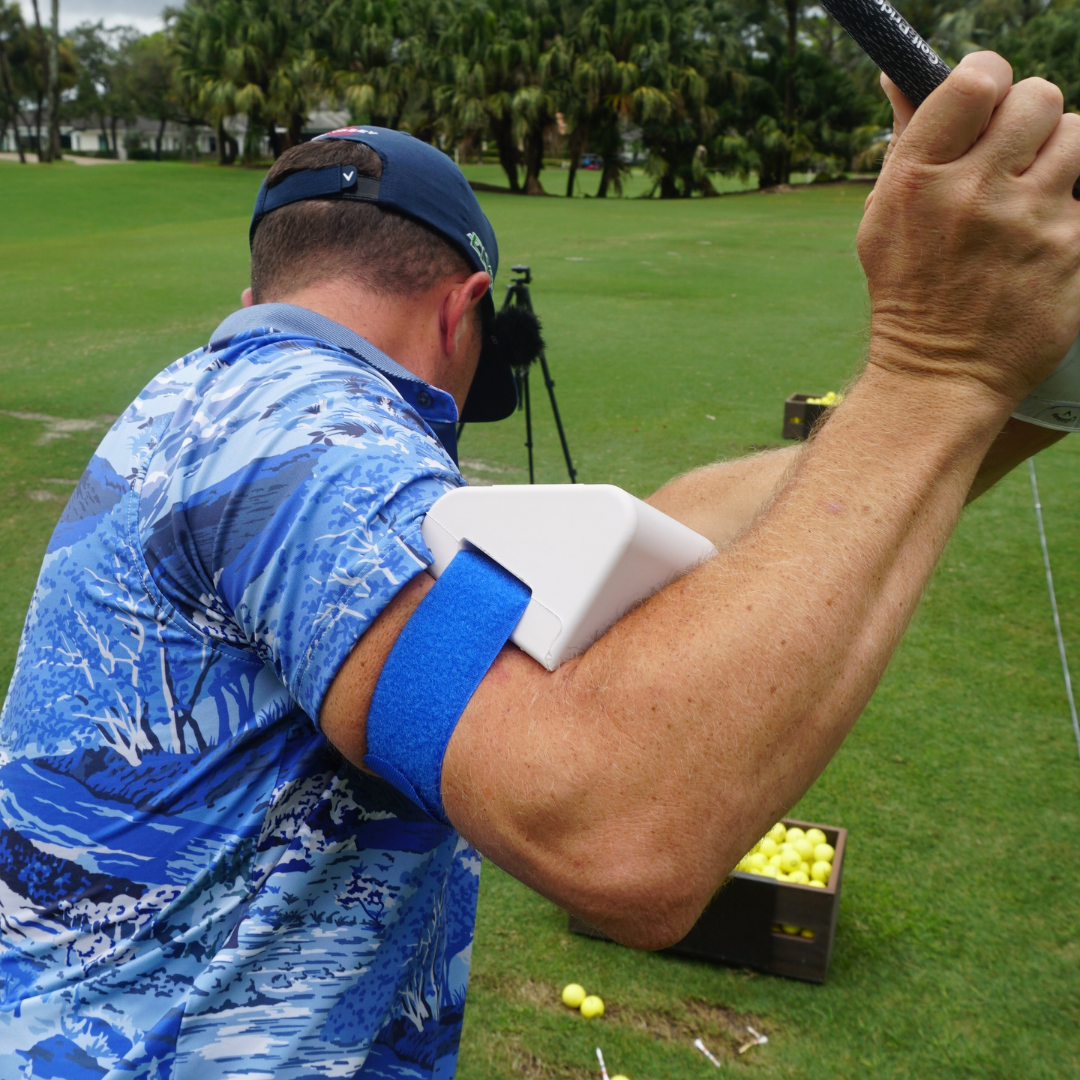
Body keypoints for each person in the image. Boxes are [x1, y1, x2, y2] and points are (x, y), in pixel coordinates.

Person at [0, 50, 1076, 1079]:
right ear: (464, 312)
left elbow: (658, 536)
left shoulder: (241, 404)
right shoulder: (308, 441)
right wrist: (937, 368)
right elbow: (615, 830)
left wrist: (1021, 403)